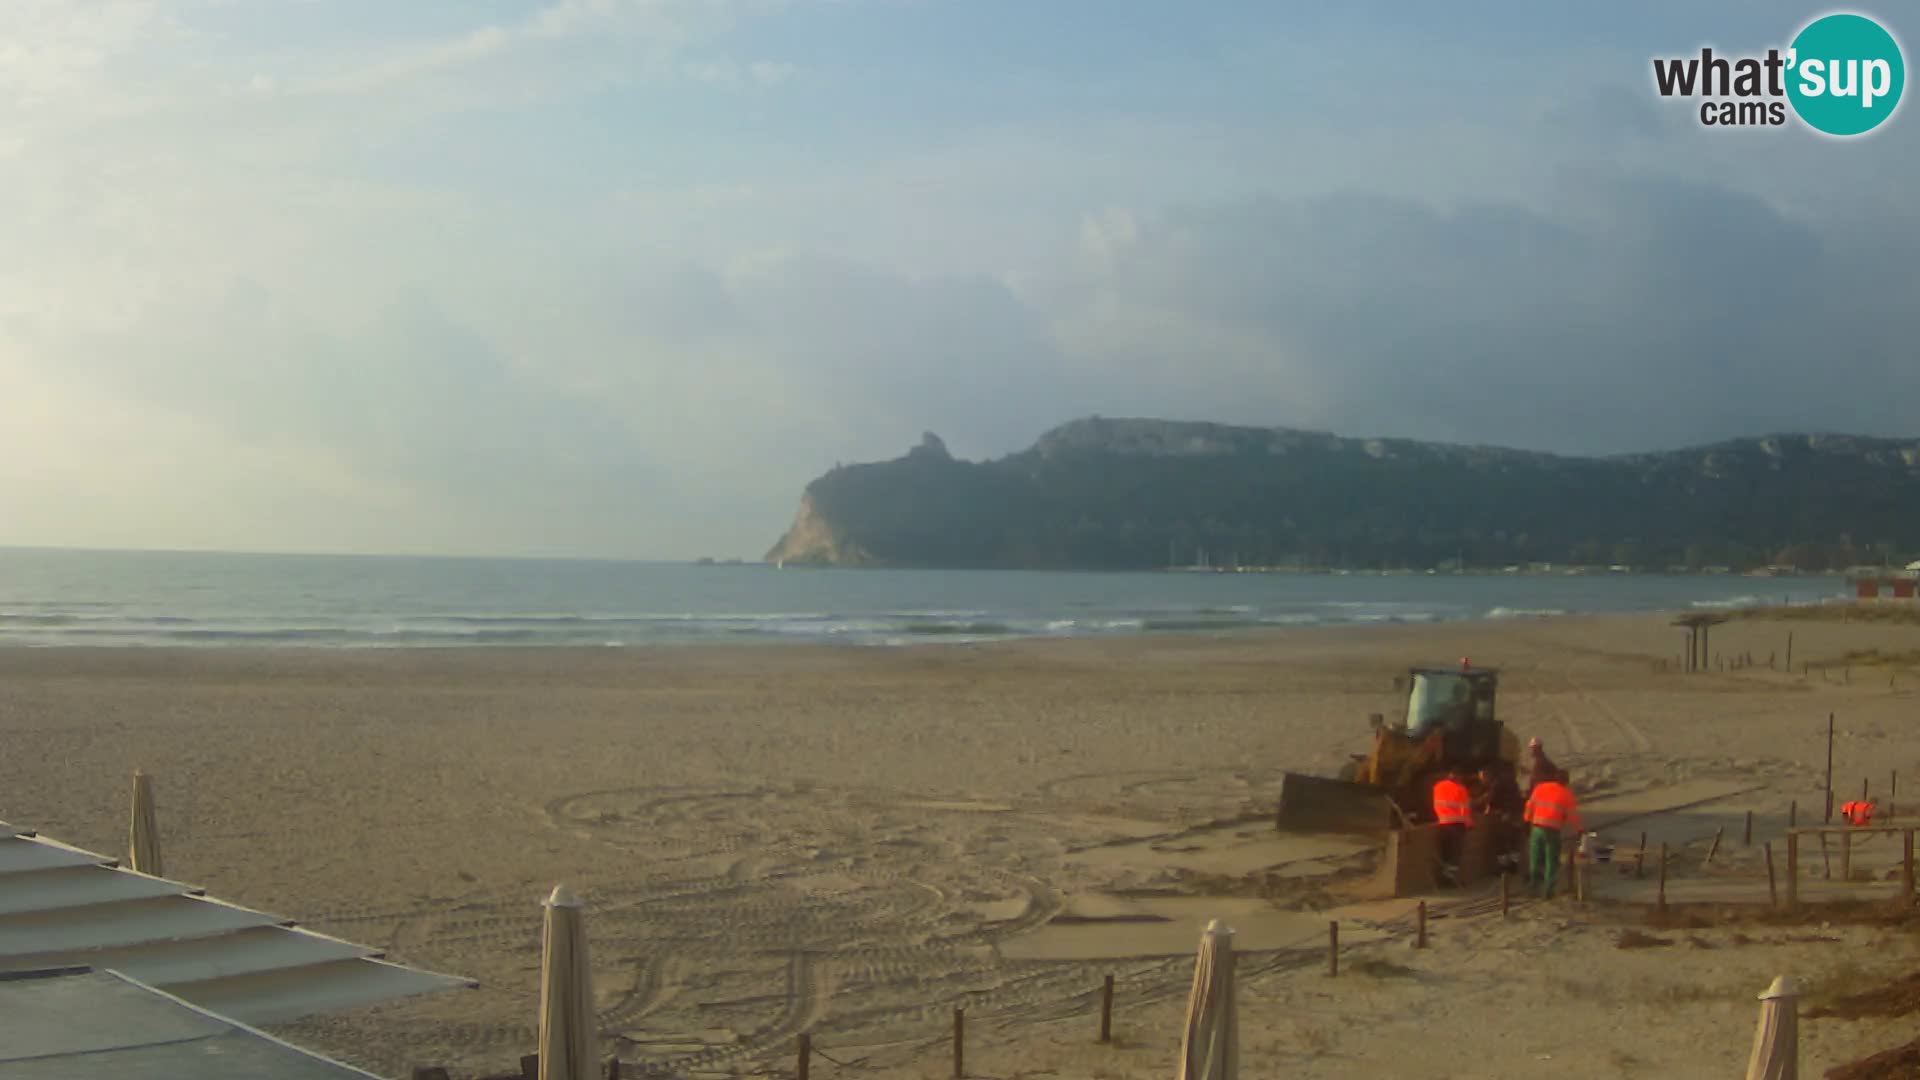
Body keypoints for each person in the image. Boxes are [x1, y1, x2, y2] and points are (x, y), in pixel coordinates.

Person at [1523, 768, 1582, 899]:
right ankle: (1548, 891)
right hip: (1552, 831)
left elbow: (1530, 805)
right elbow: (1572, 816)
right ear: (1566, 781)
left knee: (1535, 858)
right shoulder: (1566, 794)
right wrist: (1579, 830)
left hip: (1536, 829)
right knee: (1552, 861)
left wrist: (1527, 820)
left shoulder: (1540, 788)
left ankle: (1533, 887)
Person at [1478, 762, 1525, 874]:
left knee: (1500, 841)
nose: (1482, 781)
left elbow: (1489, 798)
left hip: (1505, 815)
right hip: (1517, 815)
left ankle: (1504, 869)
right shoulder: (1510, 781)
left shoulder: (1496, 783)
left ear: (1486, 775)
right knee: (1514, 841)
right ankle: (1514, 866)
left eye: (1482, 778)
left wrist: (1472, 802)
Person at [1432, 768, 1474, 886]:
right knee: (1454, 856)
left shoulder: (1437, 787)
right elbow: (1465, 810)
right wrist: (1469, 825)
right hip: (1457, 826)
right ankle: (1450, 881)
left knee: (1444, 853)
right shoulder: (1461, 789)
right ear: (1458, 776)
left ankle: (1441, 880)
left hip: (1442, 824)